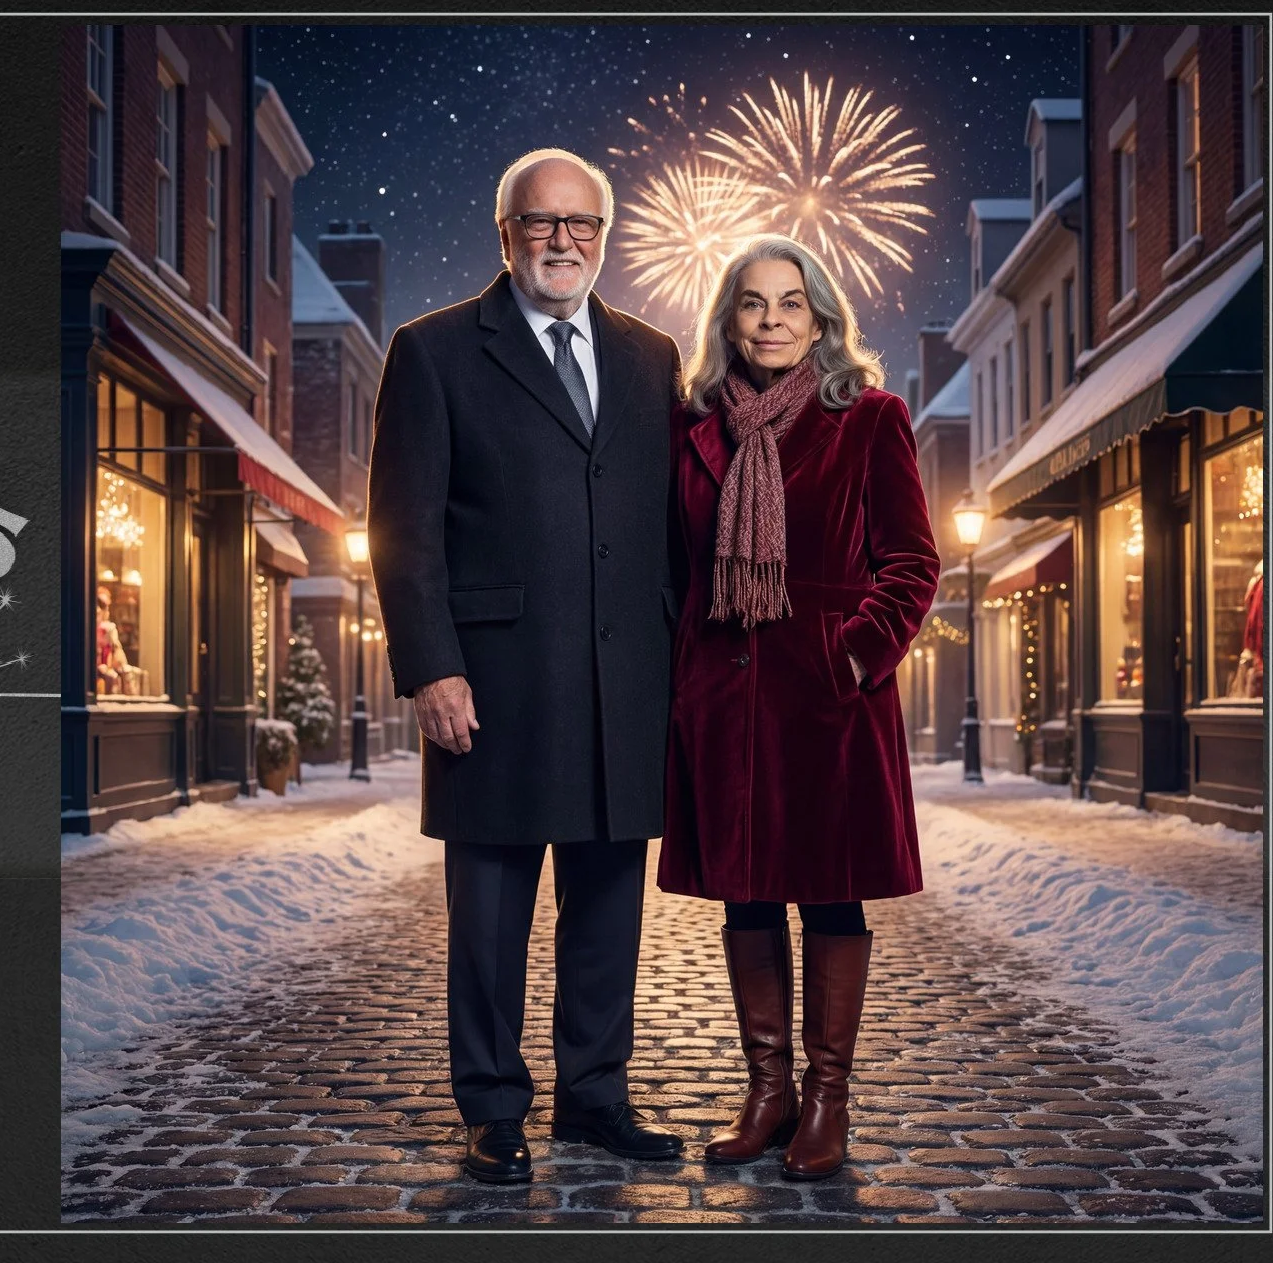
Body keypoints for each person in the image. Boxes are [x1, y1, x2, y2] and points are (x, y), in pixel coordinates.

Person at [368, 148, 684, 1184]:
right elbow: (403, 530)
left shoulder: (651, 356)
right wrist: (430, 667)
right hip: (491, 682)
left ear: (604, 236)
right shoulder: (436, 350)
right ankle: (493, 1104)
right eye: (541, 223)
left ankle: (595, 1096)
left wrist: (677, 659)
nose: (563, 241)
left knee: (607, 905)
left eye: (581, 224)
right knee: (491, 914)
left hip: (621, 679)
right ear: (504, 233)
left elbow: (667, 528)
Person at [659, 235, 939, 1181]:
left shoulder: (869, 418)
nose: (772, 320)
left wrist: (851, 656)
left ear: (820, 315)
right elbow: (674, 568)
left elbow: (912, 564)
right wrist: (683, 675)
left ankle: (827, 1099)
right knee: (744, 895)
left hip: (828, 701)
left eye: (791, 302)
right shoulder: (695, 426)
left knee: (829, 892)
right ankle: (767, 1091)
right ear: (727, 319)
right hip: (725, 696)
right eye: (752, 302)